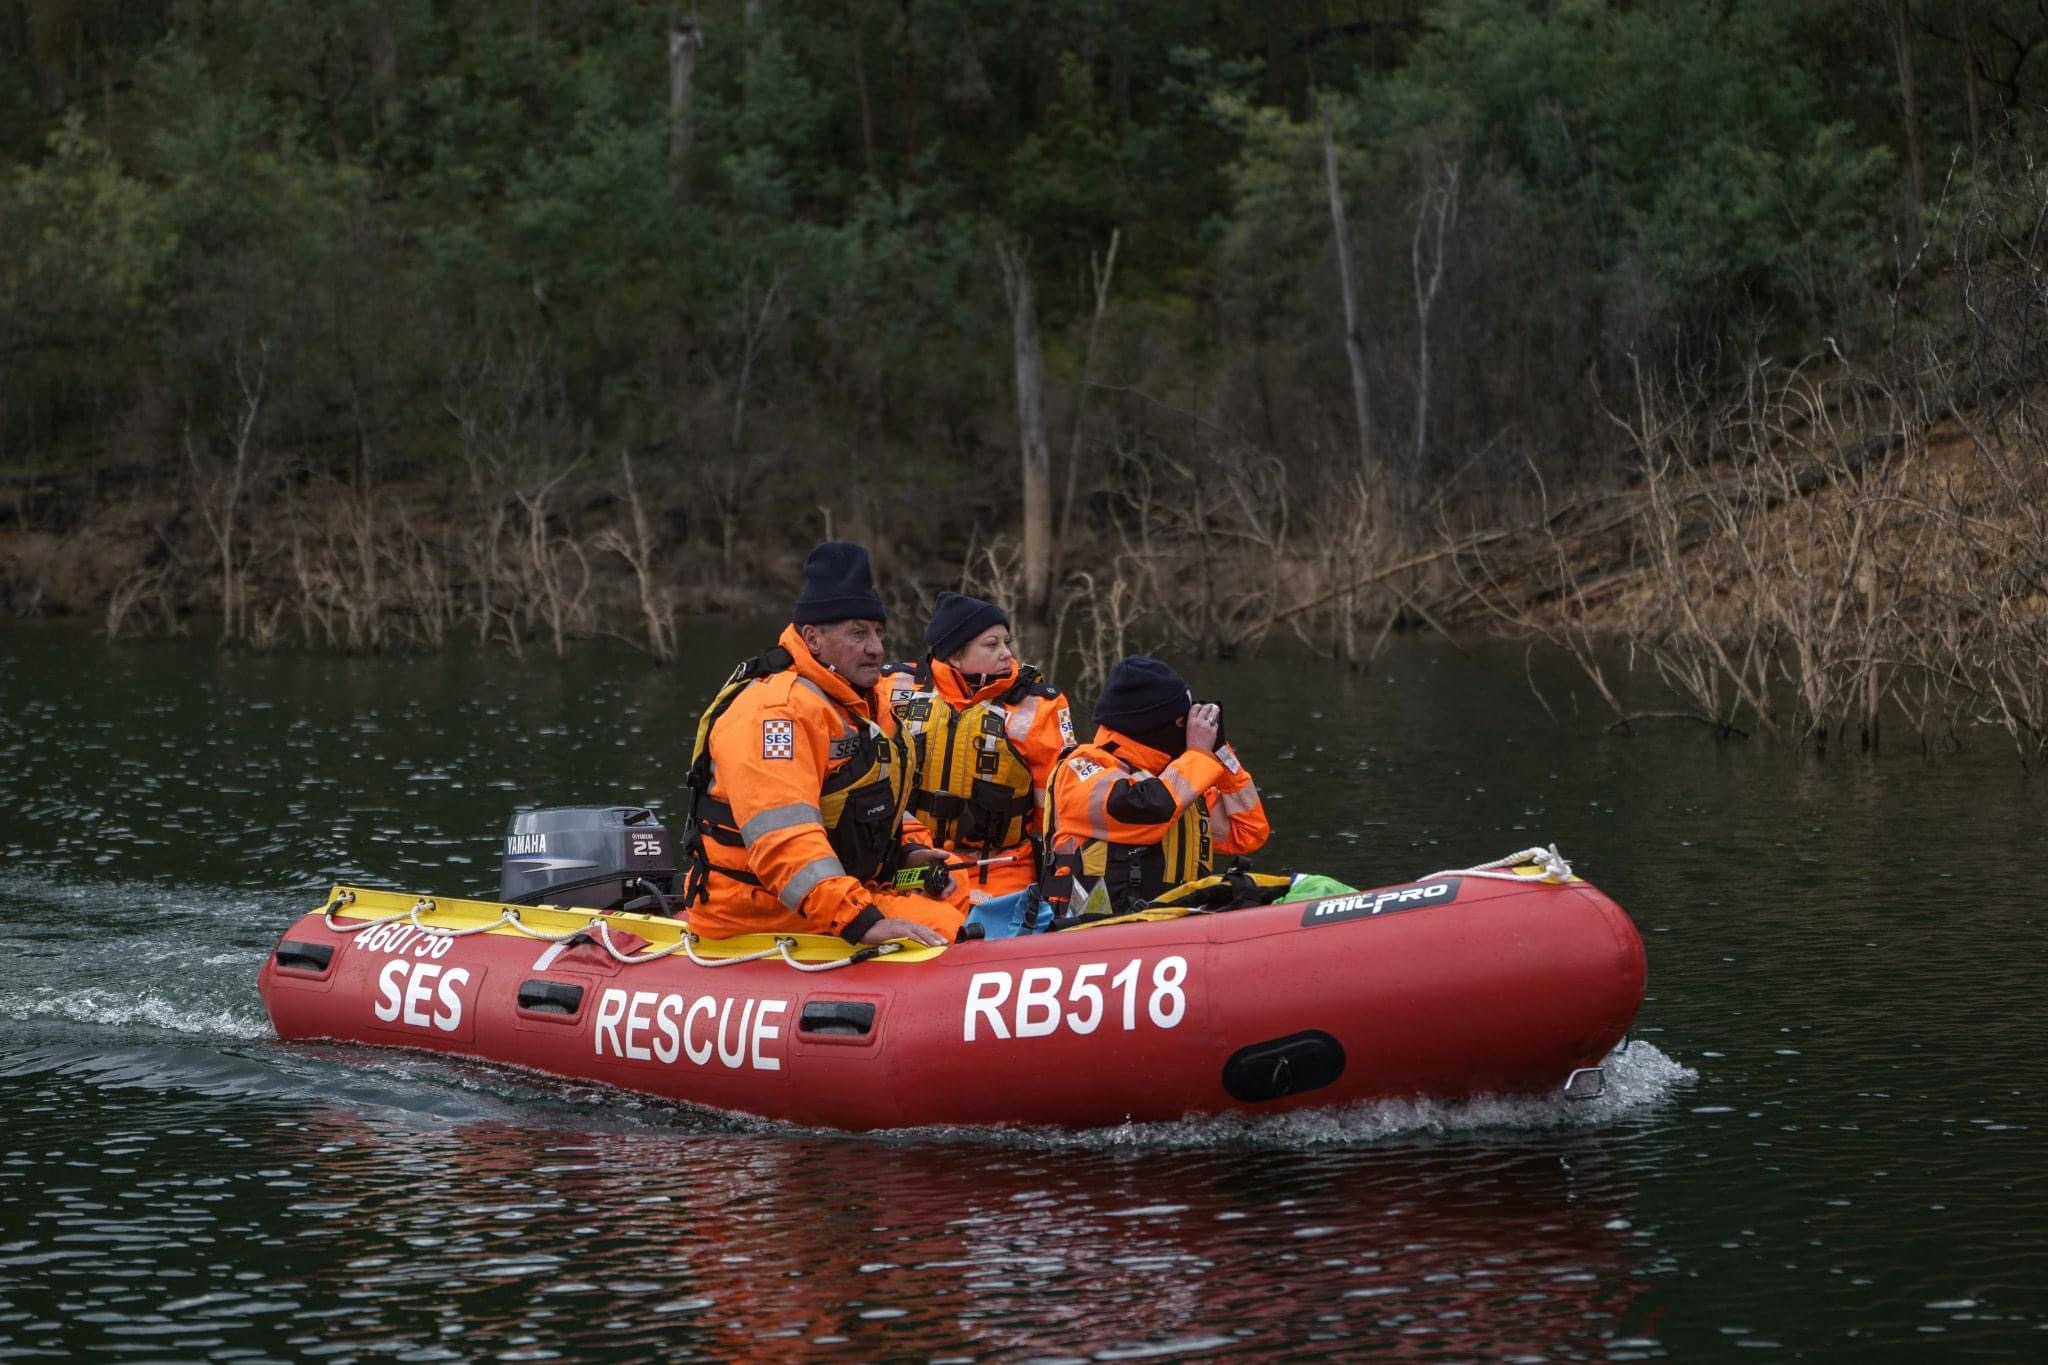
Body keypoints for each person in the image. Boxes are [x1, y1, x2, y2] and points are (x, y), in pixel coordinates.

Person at [680, 542, 964, 947]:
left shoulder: (862, 705)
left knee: (956, 881)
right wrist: (860, 920)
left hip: (831, 891)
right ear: (812, 638)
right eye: (858, 633)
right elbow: (784, 842)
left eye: (878, 632)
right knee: (941, 928)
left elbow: (875, 804)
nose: (876, 648)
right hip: (757, 907)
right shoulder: (776, 713)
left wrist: (906, 854)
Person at [881, 591, 1074, 910]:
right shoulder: (891, 688)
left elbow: (1061, 814)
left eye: (1006, 642)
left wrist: (1060, 886)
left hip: (1001, 869)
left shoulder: (1040, 707)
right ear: (955, 655)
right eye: (991, 644)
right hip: (913, 864)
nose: (1007, 654)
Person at [1040, 655, 1270, 920]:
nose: (1188, 732)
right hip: (1094, 935)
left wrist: (1219, 753)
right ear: (1151, 724)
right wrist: (1197, 755)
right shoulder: (1081, 768)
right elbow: (1143, 806)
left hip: (1174, 931)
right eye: (1183, 722)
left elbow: (1249, 833)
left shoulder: (1183, 777)